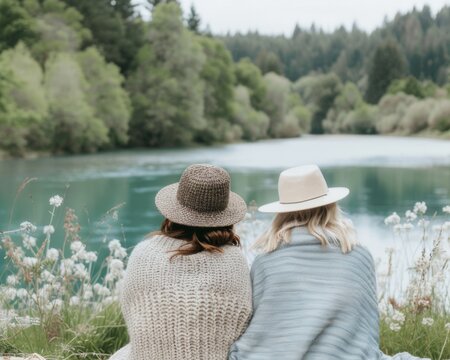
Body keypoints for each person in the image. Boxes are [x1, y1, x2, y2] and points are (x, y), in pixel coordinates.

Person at [229, 164, 427, 360]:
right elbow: (364, 336)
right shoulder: (358, 255)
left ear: (282, 212)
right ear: (330, 205)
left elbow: (265, 330)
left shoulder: (265, 261)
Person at [110, 164, 252, 360]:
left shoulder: (143, 255)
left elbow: (132, 318)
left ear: (173, 213)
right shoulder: (235, 262)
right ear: (225, 216)